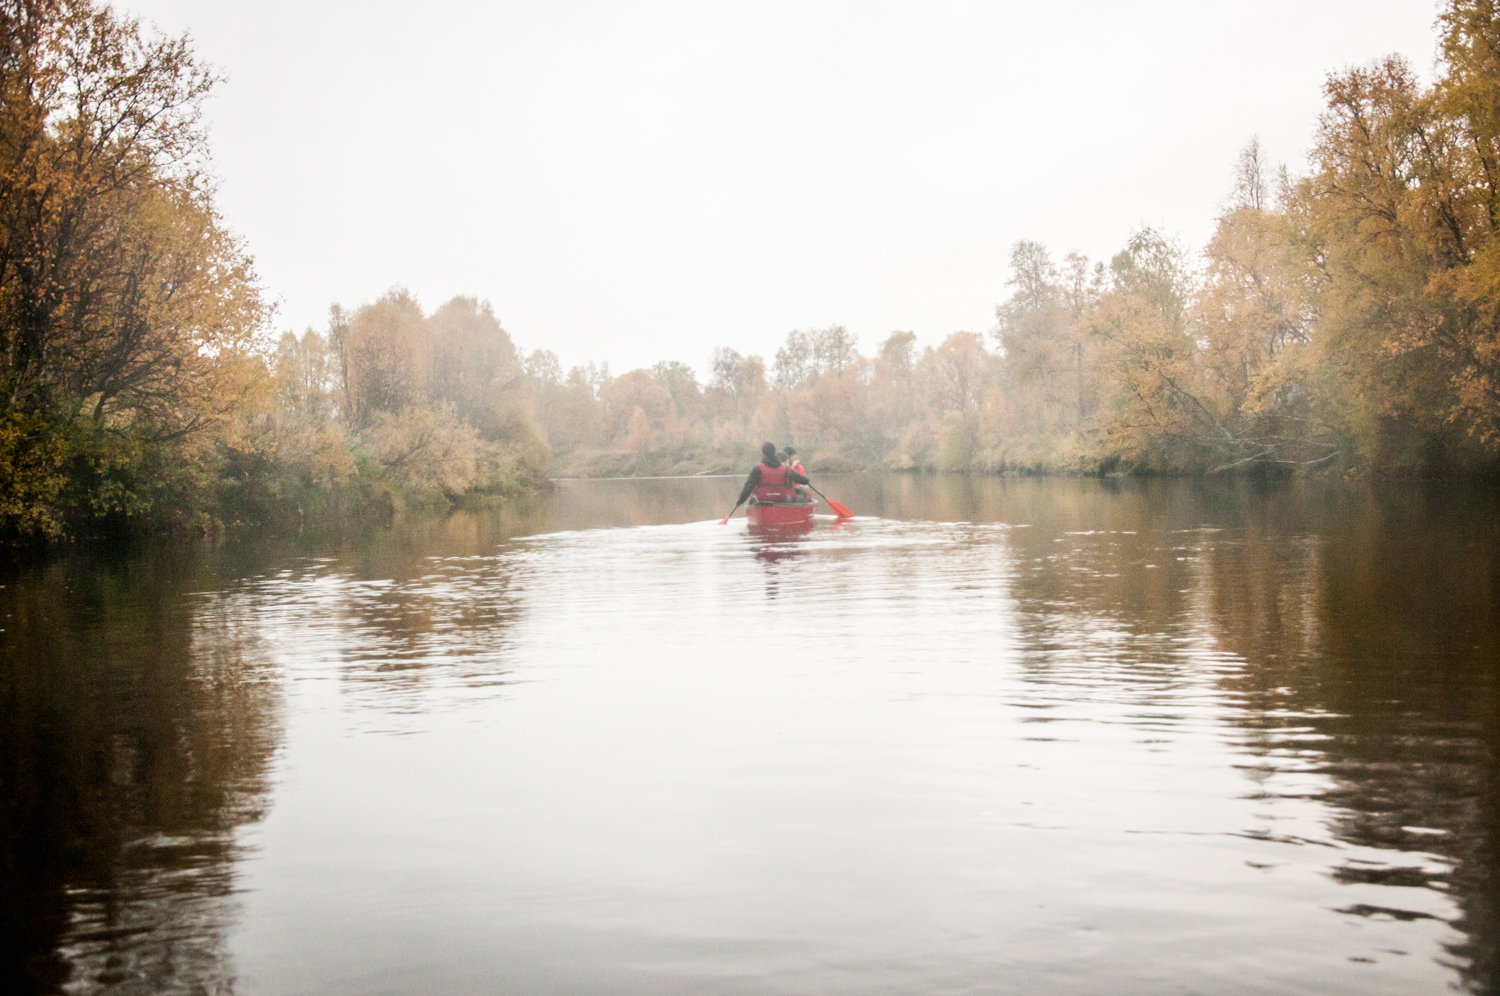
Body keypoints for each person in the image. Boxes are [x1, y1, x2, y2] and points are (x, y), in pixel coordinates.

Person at [736, 441, 810, 507]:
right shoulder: (785, 468)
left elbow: (748, 487)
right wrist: (806, 481)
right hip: (781, 499)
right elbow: (801, 479)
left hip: (762, 501)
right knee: (801, 498)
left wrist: (740, 501)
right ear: (774, 452)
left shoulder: (757, 468)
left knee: (752, 501)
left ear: (763, 453)